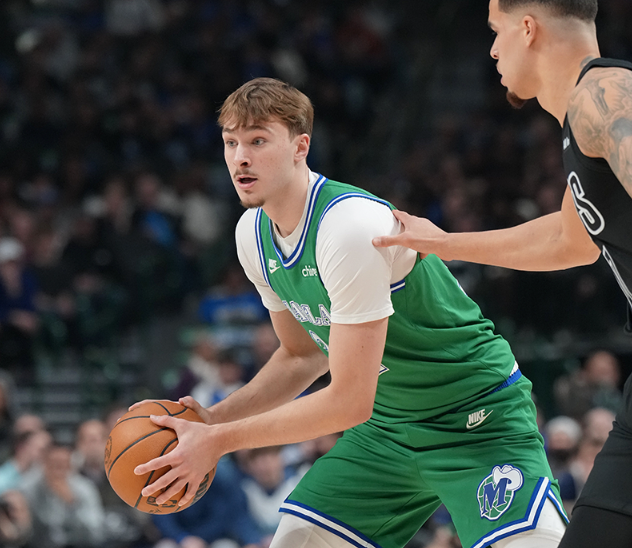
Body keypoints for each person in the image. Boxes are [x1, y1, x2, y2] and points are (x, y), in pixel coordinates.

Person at [133, 77, 567, 548]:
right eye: (231, 142)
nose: (240, 157)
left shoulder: (348, 225)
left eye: (258, 141)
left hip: (474, 419)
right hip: (386, 431)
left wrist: (220, 441)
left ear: (300, 147)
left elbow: (348, 401)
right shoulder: (251, 235)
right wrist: (212, 419)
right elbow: (302, 356)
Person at [372, 1, 632, 546]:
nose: (492, 49)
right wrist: (443, 243)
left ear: (528, 28)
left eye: (496, 31)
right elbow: (569, 241)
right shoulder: (582, 115)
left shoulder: (603, 95)